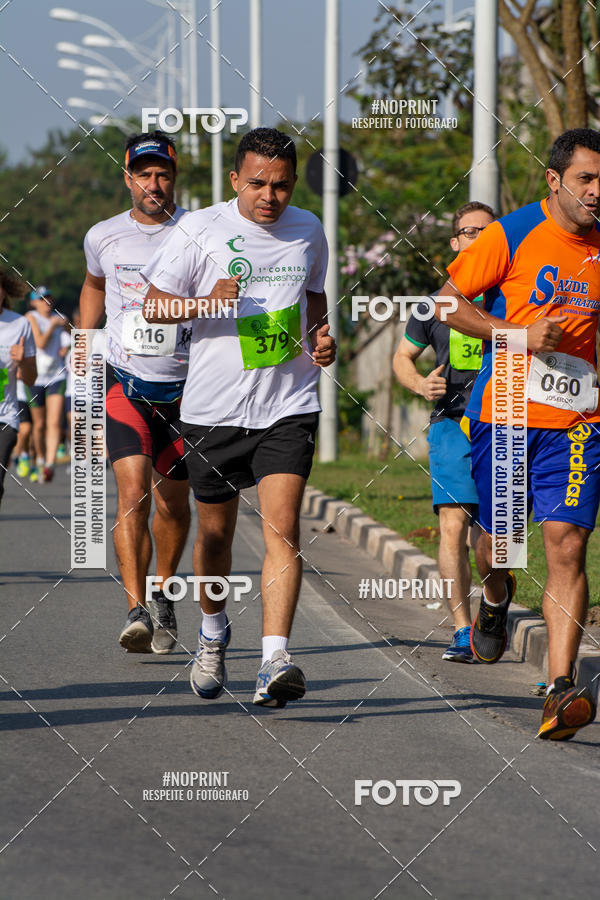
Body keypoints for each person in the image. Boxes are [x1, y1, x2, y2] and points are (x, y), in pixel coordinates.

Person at [142, 127, 336, 707]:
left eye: (280, 185)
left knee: (283, 528)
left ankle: (275, 657)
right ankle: (212, 632)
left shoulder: (309, 229)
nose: (269, 197)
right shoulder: (199, 230)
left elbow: (317, 297)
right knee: (216, 535)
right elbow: (153, 304)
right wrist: (207, 303)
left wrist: (321, 339)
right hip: (213, 409)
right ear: (235, 180)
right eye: (257, 183)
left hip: (287, 405)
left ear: (293, 184)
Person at [437, 128, 600, 740]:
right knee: (499, 547)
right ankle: (498, 597)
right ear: (555, 180)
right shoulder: (511, 232)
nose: (596, 191)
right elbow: (446, 305)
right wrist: (516, 335)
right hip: (504, 410)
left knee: (566, 542)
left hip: (578, 419)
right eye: (585, 179)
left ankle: (559, 690)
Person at [80, 130, 191, 655]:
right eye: (143, 174)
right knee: (132, 495)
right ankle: (137, 608)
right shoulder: (104, 235)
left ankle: (165, 593)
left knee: (174, 502)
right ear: (128, 179)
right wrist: (85, 342)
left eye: (162, 174)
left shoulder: (200, 231)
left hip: (190, 389)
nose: (154, 184)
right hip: (125, 381)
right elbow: (95, 284)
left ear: (174, 179)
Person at [393, 201, 496, 663]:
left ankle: (494, 612)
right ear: (455, 243)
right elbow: (402, 358)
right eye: (468, 232)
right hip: (451, 424)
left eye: (486, 232)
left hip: (506, 424)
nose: (476, 238)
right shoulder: (432, 303)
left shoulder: (511, 297)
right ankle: (460, 629)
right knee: (452, 524)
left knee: (496, 534)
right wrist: (420, 383)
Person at [0, 269, 37, 505]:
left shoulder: (19, 324)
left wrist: (22, 360)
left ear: (4, 292)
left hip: (4, 417)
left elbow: (31, 378)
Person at [25, 287, 68, 482]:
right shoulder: (31, 317)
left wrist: (66, 338)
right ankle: (40, 459)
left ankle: (49, 465)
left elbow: (75, 338)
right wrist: (52, 325)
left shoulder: (60, 317)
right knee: (39, 424)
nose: (46, 302)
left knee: (54, 422)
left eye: (48, 298)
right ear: (33, 302)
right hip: (35, 376)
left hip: (56, 375)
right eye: (41, 299)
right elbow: (40, 343)